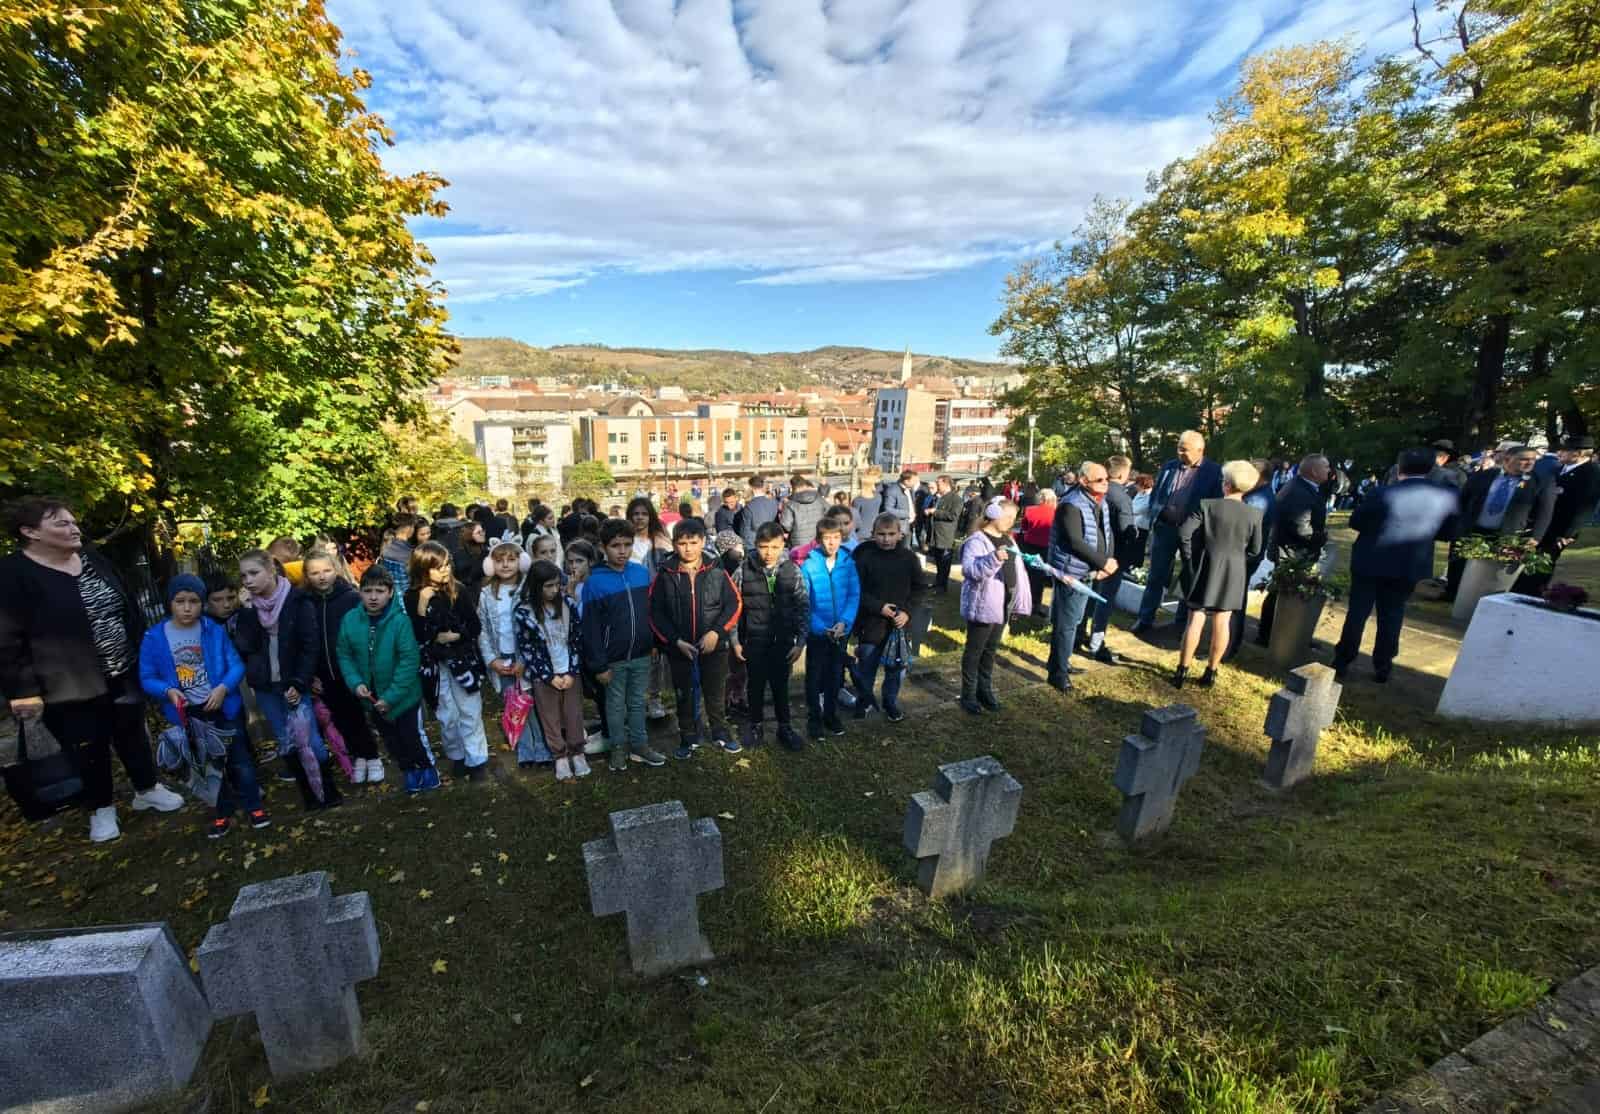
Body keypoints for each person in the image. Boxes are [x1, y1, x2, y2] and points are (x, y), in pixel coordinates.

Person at [140, 574, 267, 839]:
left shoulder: (212, 630)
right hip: (189, 714)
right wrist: (167, 690)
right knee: (207, 766)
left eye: (194, 601)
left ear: (202, 604)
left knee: (240, 760)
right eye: (180, 601)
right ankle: (221, 812)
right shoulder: (155, 637)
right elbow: (147, 676)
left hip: (223, 707)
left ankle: (253, 805)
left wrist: (223, 688)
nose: (187, 608)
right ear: (170, 603)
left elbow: (235, 665)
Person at [1333, 449, 1461, 683]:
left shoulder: (1383, 492)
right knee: (1392, 614)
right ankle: (1383, 665)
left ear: (1399, 468)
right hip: (1409, 563)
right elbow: (1449, 532)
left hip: (1372, 560)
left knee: (1358, 611)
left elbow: (1356, 521)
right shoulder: (1445, 496)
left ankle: (1343, 660)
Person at [234, 549, 342, 809]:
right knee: (286, 740)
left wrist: (299, 682)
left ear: (271, 570)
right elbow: (245, 646)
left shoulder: (297, 600)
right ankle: (309, 795)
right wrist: (247, 611)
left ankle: (327, 791)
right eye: (243, 575)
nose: (247, 580)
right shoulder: (249, 608)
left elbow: (309, 645)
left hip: (294, 682)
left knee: (310, 739)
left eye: (253, 573)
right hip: (266, 686)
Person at [335, 565, 438, 793]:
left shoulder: (399, 621)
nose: (373, 597)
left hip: (403, 696)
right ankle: (408, 770)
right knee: (392, 741)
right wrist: (355, 683)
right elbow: (344, 654)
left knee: (410, 736)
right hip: (371, 697)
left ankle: (426, 768)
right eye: (368, 591)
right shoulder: (350, 620)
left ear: (390, 592)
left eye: (379, 591)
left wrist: (391, 696)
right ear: (359, 592)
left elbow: (409, 660)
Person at [649, 517, 742, 759]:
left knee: (715, 691)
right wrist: (674, 641)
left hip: (714, 646)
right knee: (684, 693)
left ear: (703, 542)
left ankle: (720, 732)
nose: (688, 548)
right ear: (674, 544)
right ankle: (688, 736)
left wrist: (716, 633)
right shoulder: (666, 573)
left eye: (693, 542)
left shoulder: (717, 569)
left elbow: (734, 604)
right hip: (680, 647)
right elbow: (655, 612)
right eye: (682, 543)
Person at [582, 520, 667, 771]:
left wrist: (652, 642)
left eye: (627, 545)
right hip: (612, 660)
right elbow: (590, 629)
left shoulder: (640, 572)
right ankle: (618, 747)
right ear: (603, 547)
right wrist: (598, 664)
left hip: (641, 654)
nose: (622, 551)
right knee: (615, 705)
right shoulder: (594, 582)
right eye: (615, 545)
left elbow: (648, 612)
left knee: (638, 702)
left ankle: (640, 746)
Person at [1173, 461, 1265, 688]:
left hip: (1205, 565)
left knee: (1195, 619)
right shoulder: (1254, 515)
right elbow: (1255, 550)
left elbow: (1184, 533)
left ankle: (1182, 670)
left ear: (1226, 484)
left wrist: (1189, 557)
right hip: (1234, 570)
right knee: (1222, 622)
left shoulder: (1207, 505)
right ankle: (1211, 671)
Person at [404, 542, 490, 782]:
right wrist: (422, 605)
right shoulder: (412, 597)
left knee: (469, 710)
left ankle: (477, 759)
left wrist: (457, 635)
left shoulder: (458, 590)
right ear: (423, 569)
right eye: (437, 567)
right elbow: (417, 635)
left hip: (462, 660)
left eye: (447, 565)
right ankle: (457, 755)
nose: (444, 570)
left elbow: (474, 626)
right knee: (446, 713)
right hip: (435, 665)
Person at [304, 547, 382, 785]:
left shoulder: (350, 597)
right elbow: (305, 641)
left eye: (327, 570)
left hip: (350, 671)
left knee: (358, 715)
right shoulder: (306, 603)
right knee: (340, 718)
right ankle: (358, 756)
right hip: (323, 674)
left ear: (336, 569)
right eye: (315, 572)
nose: (322, 576)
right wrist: (311, 675)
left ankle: (372, 756)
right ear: (307, 576)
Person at [1135, 431, 1223, 633]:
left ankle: (1182, 621)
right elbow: (1156, 494)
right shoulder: (1169, 466)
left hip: (1192, 534)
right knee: (1156, 575)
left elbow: (1214, 503)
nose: (1180, 452)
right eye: (1179, 448)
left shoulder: (1214, 471)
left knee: (1188, 576)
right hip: (1165, 528)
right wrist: (1156, 512)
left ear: (1200, 450)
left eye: (1185, 449)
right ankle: (1145, 618)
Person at [1446, 445, 1557, 600]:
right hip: (1472, 528)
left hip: (1507, 533)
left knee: (1494, 570)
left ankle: (1486, 598)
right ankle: (1452, 593)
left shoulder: (1541, 482)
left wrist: (1535, 537)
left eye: (1533, 460)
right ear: (1506, 459)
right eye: (1524, 459)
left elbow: (1545, 513)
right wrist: (1457, 524)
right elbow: (1462, 500)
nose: (1530, 463)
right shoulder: (1484, 476)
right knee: (1459, 563)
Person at [734, 521, 809, 751]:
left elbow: (803, 606)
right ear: (755, 545)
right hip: (754, 640)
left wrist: (800, 642)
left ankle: (784, 726)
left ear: (782, 545)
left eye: (774, 547)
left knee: (780, 686)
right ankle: (755, 725)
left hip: (783, 641)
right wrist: (734, 641)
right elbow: (733, 609)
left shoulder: (791, 570)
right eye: (763, 546)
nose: (769, 553)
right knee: (755, 685)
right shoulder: (743, 570)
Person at [477, 540, 551, 769]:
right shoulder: (486, 594)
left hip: (526, 658)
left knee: (534, 704)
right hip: (502, 659)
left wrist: (524, 659)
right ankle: (526, 750)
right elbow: (482, 631)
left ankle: (543, 749)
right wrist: (491, 660)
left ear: (522, 561)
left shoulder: (528, 590)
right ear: (491, 565)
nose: (505, 565)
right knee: (515, 706)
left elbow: (537, 626)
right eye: (499, 561)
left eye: (511, 559)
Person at [850, 513, 930, 723]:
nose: (886, 539)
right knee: (867, 665)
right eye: (881, 534)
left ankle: (890, 701)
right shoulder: (864, 555)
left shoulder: (908, 558)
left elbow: (920, 588)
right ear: (873, 534)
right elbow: (856, 589)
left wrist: (907, 612)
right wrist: (878, 607)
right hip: (871, 623)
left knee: (896, 668)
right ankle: (864, 699)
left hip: (899, 625)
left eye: (891, 534)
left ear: (899, 534)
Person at [515, 559, 589, 781]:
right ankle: (559, 756)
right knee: (550, 717)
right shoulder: (524, 612)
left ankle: (577, 752)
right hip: (544, 676)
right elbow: (527, 649)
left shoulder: (567, 604)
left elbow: (577, 639)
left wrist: (571, 671)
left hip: (569, 671)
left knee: (574, 714)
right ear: (536, 586)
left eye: (557, 585)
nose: (554, 590)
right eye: (548, 586)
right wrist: (548, 676)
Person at [1045, 462, 1116, 690]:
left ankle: (1060, 662)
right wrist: (1103, 562)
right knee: (1066, 623)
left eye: (1107, 479)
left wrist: (1105, 562)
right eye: (1100, 480)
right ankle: (1058, 674)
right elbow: (1075, 542)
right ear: (1084, 481)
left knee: (1073, 621)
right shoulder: (1071, 504)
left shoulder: (1098, 500)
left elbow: (1104, 532)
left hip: (1088, 569)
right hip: (1071, 571)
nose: (1105, 483)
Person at [959, 498, 1031, 714]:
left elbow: (1018, 572)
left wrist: (1020, 601)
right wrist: (992, 559)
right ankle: (968, 694)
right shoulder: (977, 541)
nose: (1011, 521)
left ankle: (985, 689)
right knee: (975, 651)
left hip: (1003, 604)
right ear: (992, 513)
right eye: (1007, 516)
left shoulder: (1010, 540)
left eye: (1013, 518)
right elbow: (970, 571)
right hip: (984, 605)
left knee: (990, 651)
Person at [1255, 454, 1331, 647]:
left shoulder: (1305, 487)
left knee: (1283, 593)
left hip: (1294, 550)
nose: (1329, 471)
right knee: (1281, 593)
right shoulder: (1299, 490)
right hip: (1292, 551)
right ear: (1314, 471)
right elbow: (1300, 527)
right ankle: (1268, 635)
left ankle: (1280, 633)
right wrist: (1321, 537)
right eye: (1326, 467)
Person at [1515, 436, 1598, 596]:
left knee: (1543, 562)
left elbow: (1585, 507)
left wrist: (1568, 533)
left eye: (1565, 450)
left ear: (1578, 453)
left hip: (1559, 528)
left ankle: (1530, 593)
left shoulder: (1591, 473)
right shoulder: (1560, 469)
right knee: (1528, 557)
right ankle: (1519, 589)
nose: (1559, 453)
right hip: (1542, 523)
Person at [800, 516, 859, 740]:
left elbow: (854, 595)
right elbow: (804, 601)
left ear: (841, 538)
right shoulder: (809, 565)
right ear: (818, 540)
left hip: (840, 631)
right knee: (814, 676)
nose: (831, 543)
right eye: (826, 538)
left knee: (835, 675)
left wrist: (845, 622)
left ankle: (831, 715)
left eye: (836, 538)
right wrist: (819, 627)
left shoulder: (848, 563)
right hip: (818, 633)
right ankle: (814, 717)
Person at [1087, 455, 1138, 664]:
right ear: (1121, 473)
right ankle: (1097, 643)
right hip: (1114, 556)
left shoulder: (1097, 490)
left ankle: (1080, 633)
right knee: (1105, 599)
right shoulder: (1122, 497)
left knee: (1090, 594)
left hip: (1093, 551)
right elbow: (1127, 531)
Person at [1017, 487, 1057, 617]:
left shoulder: (1029, 510)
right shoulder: (1056, 513)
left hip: (1030, 546)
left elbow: (1024, 528)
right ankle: (1036, 606)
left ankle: (1023, 604)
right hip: (1046, 548)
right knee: (1040, 579)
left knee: (1028, 576)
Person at [928, 475, 963, 595]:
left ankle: (942, 587)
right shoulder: (940, 497)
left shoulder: (955, 499)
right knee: (938, 561)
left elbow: (953, 516)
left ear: (946, 484)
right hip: (937, 534)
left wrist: (935, 512)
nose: (936, 486)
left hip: (946, 536)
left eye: (938, 484)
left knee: (944, 563)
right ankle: (938, 582)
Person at [778, 473, 826, 546]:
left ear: (793, 487)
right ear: (804, 484)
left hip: (798, 544)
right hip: (818, 540)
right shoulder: (819, 499)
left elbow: (786, 525)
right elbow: (831, 514)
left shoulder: (790, 503)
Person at [734, 474, 780, 547]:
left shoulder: (749, 507)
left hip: (755, 544)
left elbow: (744, 532)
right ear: (762, 486)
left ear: (751, 488)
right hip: (771, 542)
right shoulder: (774, 503)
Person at [379, 513, 418, 598]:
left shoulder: (387, 544)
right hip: (405, 598)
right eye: (413, 527)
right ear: (408, 528)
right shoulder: (410, 552)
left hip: (388, 596)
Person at [850, 473, 883, 545]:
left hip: (861, 534)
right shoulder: (878, 497)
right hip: (875, 531)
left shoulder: (857, 500)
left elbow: (854, 518)